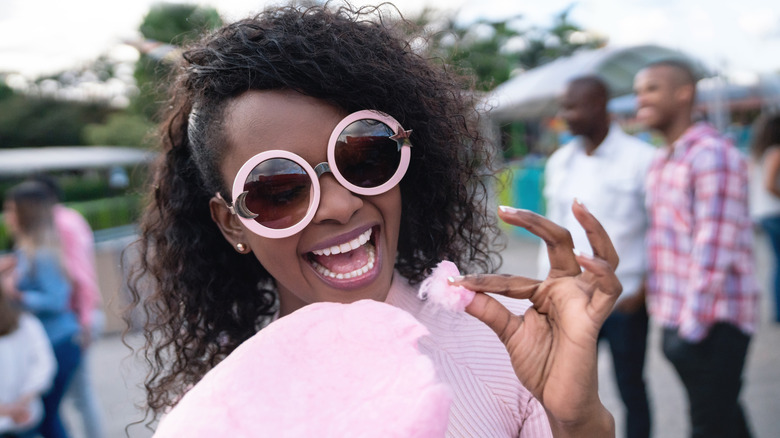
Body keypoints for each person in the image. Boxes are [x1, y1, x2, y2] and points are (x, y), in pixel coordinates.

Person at [127, 5, 623, 436]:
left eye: (365, 157)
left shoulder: (503, 346)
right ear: (232, 223)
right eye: (279, 189)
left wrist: (576, 422)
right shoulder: (221, 415)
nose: (340, 205)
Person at [634, 59, 760, 438]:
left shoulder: (711, 154)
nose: (641, 99)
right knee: (724, 419)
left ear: (684, 92)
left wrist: (690, 330)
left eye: (652, 88)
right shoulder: (663, 158)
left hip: (712, 323)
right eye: (639, 91)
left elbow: (713, 249)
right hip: (680, 319)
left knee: (708, 425)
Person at [538, 75, 655, 438]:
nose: (565, 115)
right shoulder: (560, 161)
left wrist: (645, 292)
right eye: (563, 106)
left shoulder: (643, 160)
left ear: (600, 105)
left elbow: (661, 233)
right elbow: (553, 230)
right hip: (570, 301)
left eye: (573, 106)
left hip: (624, 302)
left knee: (630, 387)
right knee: (569, 393)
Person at [3, 181, 82, 438]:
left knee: (47, 420)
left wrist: (18, 295)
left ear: (25, 214)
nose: (7, 216)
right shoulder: (26, 251)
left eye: (11, 210)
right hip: (54, 341)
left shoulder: (41, 253)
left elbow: (57, 300)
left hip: (59, 341)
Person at [30, 175, 105, 438]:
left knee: (79, 398)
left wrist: (83, 321)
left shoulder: (58, 224)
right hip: (85, 312)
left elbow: (78, 275)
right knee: (81, 397)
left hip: (77, 317)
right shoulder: (72, 217)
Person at [0, 276, 57, 438]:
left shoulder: (26, 323)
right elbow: (44, 366)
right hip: (25, 412)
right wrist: (20, 404)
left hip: (24, 415)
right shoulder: (27, 323)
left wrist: (13, 407)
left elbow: (44, 365)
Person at [749, 113, 780, 323]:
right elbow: (769, 184)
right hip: (775, 213)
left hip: (763, 213)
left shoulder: (760, 153)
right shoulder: (776, 152)